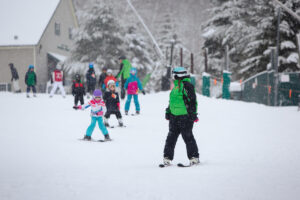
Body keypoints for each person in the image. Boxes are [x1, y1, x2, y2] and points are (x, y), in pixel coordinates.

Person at [162, 67, 200, 166]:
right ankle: (167, 157)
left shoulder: (187, 86)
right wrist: (168, 111)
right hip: (174, 117)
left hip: (185, 117)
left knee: (187, 137)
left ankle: (194, 157)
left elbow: (193, 101)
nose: (173, 77)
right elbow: (172, 101)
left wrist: (193, 114)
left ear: (178, 75)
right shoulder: (175, 87)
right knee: (171, 137)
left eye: (174, 75)